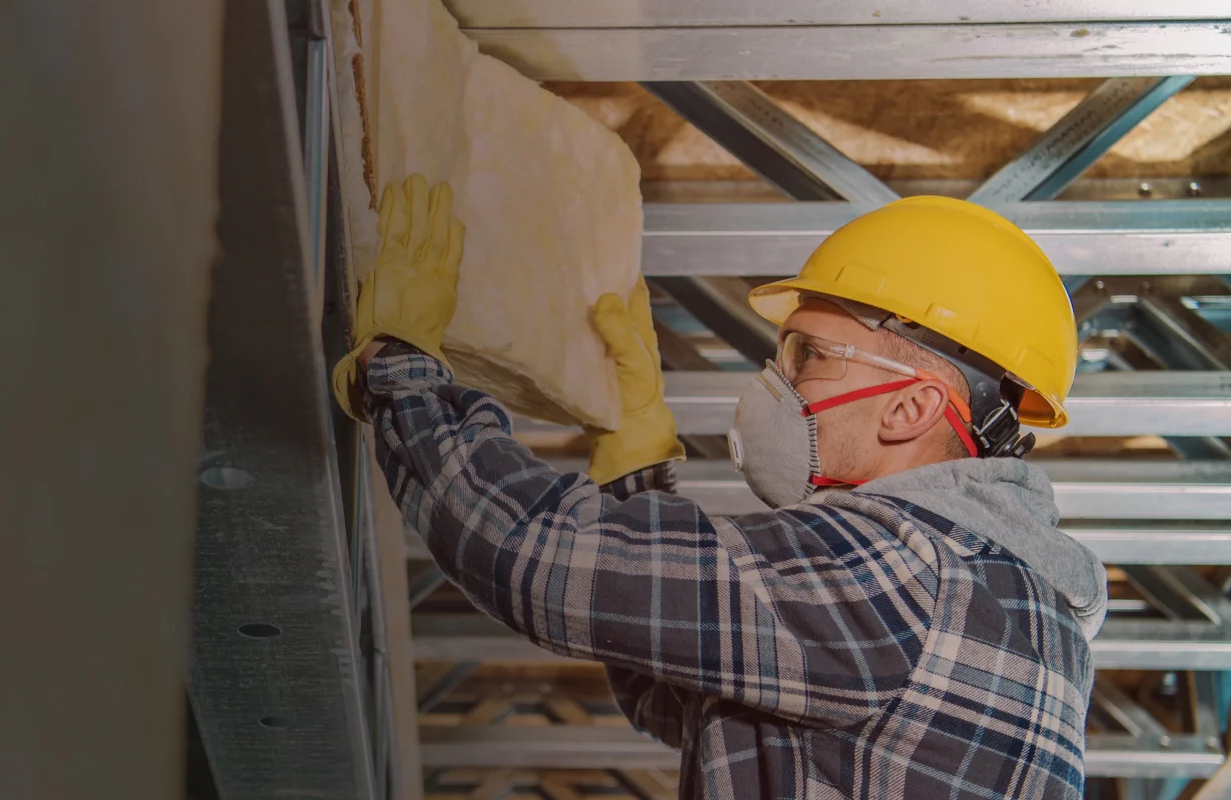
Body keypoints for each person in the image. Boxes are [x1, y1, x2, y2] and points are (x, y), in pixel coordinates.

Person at [333, 175, 1107, 799]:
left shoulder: (911, 570)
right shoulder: (999, 603)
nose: (780, 382)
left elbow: (537, 557)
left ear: (910, 407)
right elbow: (685, 696)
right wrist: (635, 470)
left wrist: (403, 371)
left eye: (809, 356)